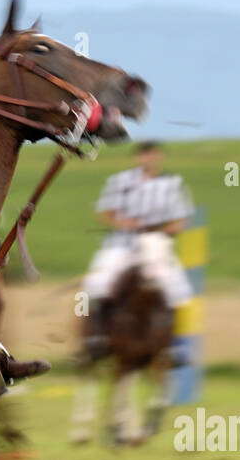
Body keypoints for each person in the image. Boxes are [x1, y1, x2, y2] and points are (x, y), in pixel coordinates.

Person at [79, 140, 194, 359]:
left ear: (160, 157)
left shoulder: (173, 184)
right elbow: (105, 212)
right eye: (145, 155)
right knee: (95, 283)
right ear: (137, 158)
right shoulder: (120, 181)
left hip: (156, 245)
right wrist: (126, 223)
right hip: (122, 243)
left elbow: (182, 219)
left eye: (153, 155)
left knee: (178, 288)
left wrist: (164, 231)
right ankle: (95, 336)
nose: (149, 159)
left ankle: (174, 344)